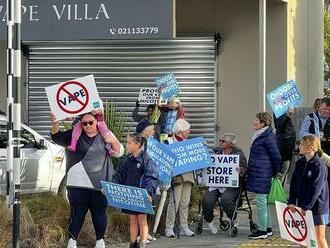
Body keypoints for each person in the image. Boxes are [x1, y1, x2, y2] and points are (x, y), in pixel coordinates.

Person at [50, 112, 124, 248]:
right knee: (76, 213)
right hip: (77, 184)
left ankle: (100, 241)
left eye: (91, 122)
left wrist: (112, 140)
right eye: (85, 123)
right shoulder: (73, 135)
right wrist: (55, 123)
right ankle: (72, 241)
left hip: (100, 185)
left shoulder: (105, 134)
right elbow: (56, 137)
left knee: (100, 213)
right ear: (81, 124)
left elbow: (120, 152)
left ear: (97, 122)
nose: (88, 126)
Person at [112, 133, 159, 248]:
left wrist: (148, 193)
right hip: (130, 195)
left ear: (137, 145)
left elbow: (151, 177)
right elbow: (118, 175)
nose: (126, 145)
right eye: (126, 142)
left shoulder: (146, 160)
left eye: (129, 143)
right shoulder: (126, 160)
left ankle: (142, 244)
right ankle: (133, 244)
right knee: (133, 219)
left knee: (142, 220)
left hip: (142, 195)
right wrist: (112, 188)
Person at [288, 135, 329, 248]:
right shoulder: (300, 162)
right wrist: (291, 201)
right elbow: (294, 183)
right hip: (303, 206)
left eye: (302, 144)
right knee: (304, 238)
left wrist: (306, 206)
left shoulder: (319, 165)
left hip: (318, 207)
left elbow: (316, 189)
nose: (299, 146)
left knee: (319, 237)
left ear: (311, 147)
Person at [202, 133, 247, 234]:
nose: (221, 143)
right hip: (216, 184)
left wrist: (241, 170)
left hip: (232, 185)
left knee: (225, 200)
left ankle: (234, 219)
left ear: (230, 144)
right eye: (220, 141)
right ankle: (210, 221)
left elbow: (245, 169)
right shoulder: (216, 154)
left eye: (223, 141)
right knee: (206, 200)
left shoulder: (238, 154)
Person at [246, 112, 282, 239]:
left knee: (261, 202)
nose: (253, 122)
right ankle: (267, 229)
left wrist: (275, 172)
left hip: (263, 174)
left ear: (262, 123)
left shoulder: (267, 137)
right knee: (264, 202)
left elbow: (276, 157)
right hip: (260, 173)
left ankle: (262, 231)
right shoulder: (261, 135)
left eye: (256, 120)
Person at [165, 119, 195, 237]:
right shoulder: (168, 142)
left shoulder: (189, 144)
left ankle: (184, 226)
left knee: (185, 202)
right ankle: (169, 227)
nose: (188, 132)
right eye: (186, 130)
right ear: (179, 132)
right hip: (176, 177)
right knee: (174, 202)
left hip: (188, 175)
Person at [273, 108, 296, 184]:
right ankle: (277, 193)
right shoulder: (279, 110)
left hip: (288, 148)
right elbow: (278, 126)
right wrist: (287, 117)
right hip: (284, 148)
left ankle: (279, 192)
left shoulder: (284, 111)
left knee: (284, 172)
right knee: (281, 173)